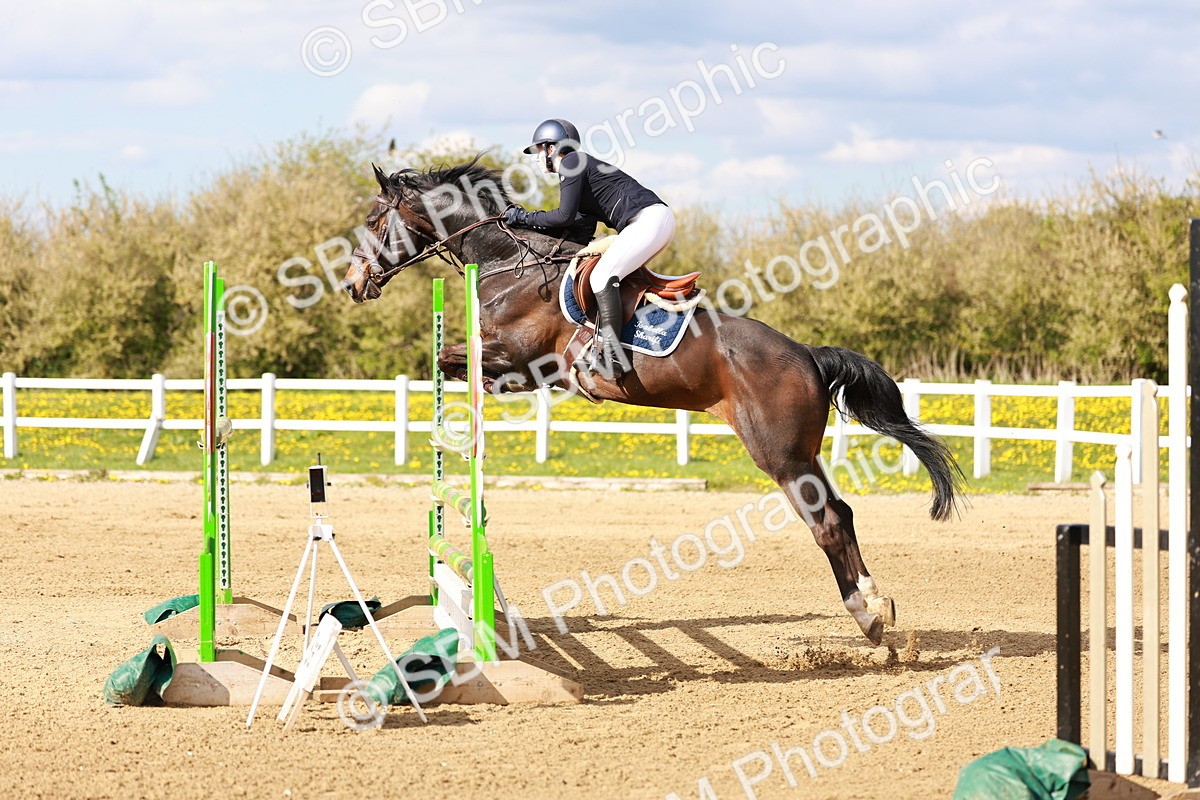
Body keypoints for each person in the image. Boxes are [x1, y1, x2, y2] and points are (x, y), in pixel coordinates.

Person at [504, 118, 675, 378]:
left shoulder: (572, 162)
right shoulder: (580, 173)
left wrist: (523, 217)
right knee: (603, 271)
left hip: (648, 220)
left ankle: (612, 356)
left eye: (539, 150)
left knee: (602, 277)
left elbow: (563, 216)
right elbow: (580, 229)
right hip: (651, 222)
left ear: (552, 148)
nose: (537, 159)